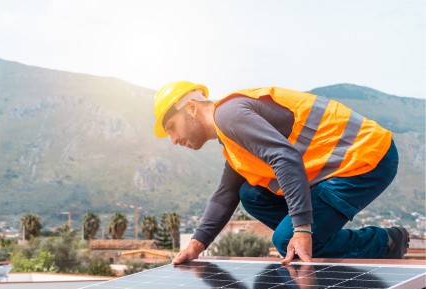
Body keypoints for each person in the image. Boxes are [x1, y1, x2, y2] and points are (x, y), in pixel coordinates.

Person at [153, 81, 409, 265]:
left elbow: (284, 158)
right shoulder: (230, 137)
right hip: (337, 168)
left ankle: (386, 242)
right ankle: (312, 240)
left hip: (365, 158)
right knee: (249, 193)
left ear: (191, 108)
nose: (173, 139)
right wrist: (197, 244)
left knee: (289, 238)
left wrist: (301, 229)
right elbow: (225, 194)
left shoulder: (228, 115)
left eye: (172, 127)